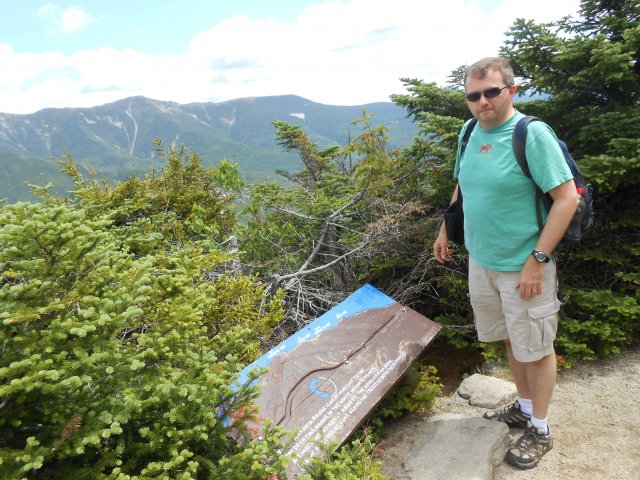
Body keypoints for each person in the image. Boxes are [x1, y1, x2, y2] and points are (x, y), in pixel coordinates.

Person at [433, 57, 580, 469]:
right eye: (473, 95)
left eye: (491, 92)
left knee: (537, 346)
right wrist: (447, 228)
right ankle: (525, 407)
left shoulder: (530, 135)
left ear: (511, 91)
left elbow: (567, 199)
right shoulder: (468, 132)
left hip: (524, 265)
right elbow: (464, 183)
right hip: (482, 262)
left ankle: (541, 429)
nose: (482, 102)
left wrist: (538, 259)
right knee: (512, 340)